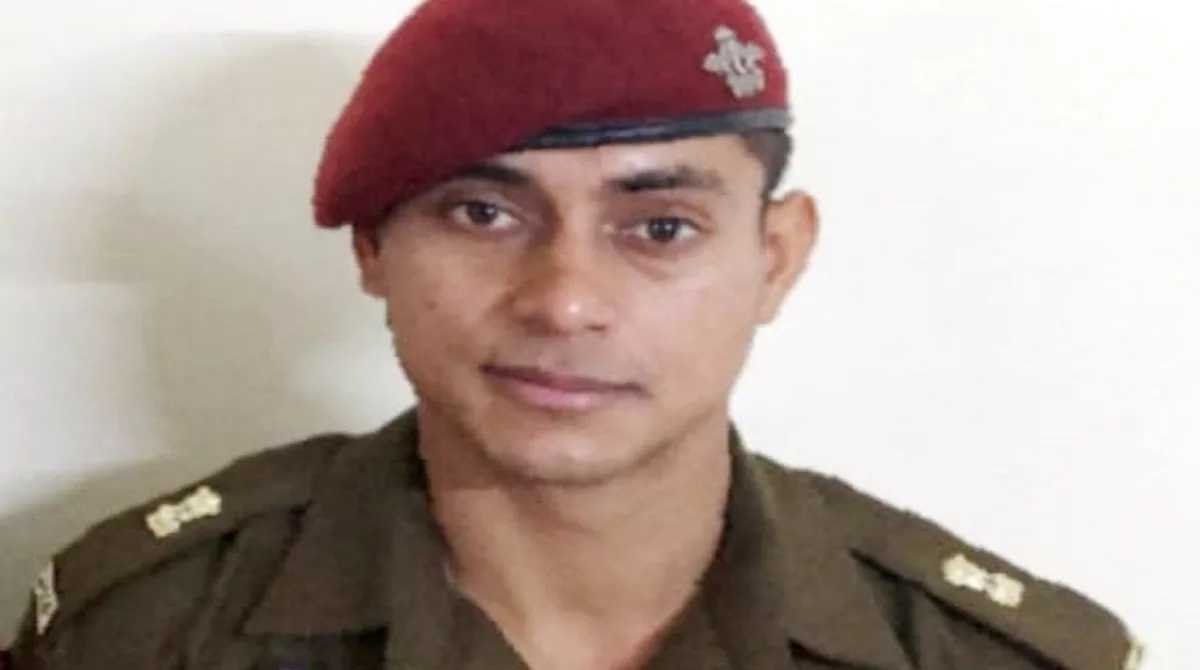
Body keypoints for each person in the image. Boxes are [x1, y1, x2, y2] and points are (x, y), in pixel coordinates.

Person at [4, 0, 1144, 668]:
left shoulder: (976, 656)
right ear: (373, 248)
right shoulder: (151, 634)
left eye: (660, 226)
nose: (564, 300)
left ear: (776, 257)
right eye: (482, 214)